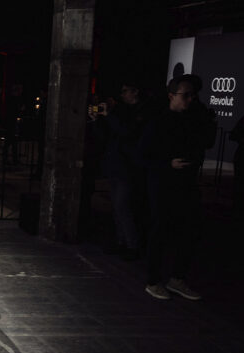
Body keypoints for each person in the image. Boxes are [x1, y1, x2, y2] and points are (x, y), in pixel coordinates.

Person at [136, 76, 214, 300]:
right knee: (160, 231)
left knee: (190, 230)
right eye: (185, 95)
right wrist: (167, 164)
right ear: (171, 96)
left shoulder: (193, 120)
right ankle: (153, 280)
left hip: (186, 183)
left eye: (193, 95)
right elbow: (141, 156)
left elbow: (205, 142)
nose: (190, 99)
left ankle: (177, 278)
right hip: (163, 184)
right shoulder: (158, 122)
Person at [91, 81, 151, 259]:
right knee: (117, 208)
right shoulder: (121, 111)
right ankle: (122, 242)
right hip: (114, 165)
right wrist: (96, 120)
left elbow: (127, 132)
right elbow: (105, 137)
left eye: (125, 91)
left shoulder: (142, 112)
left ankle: (132, 245)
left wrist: (109, 116)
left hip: (128, 168)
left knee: (123, 207)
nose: (122, 94)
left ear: (135, 91)